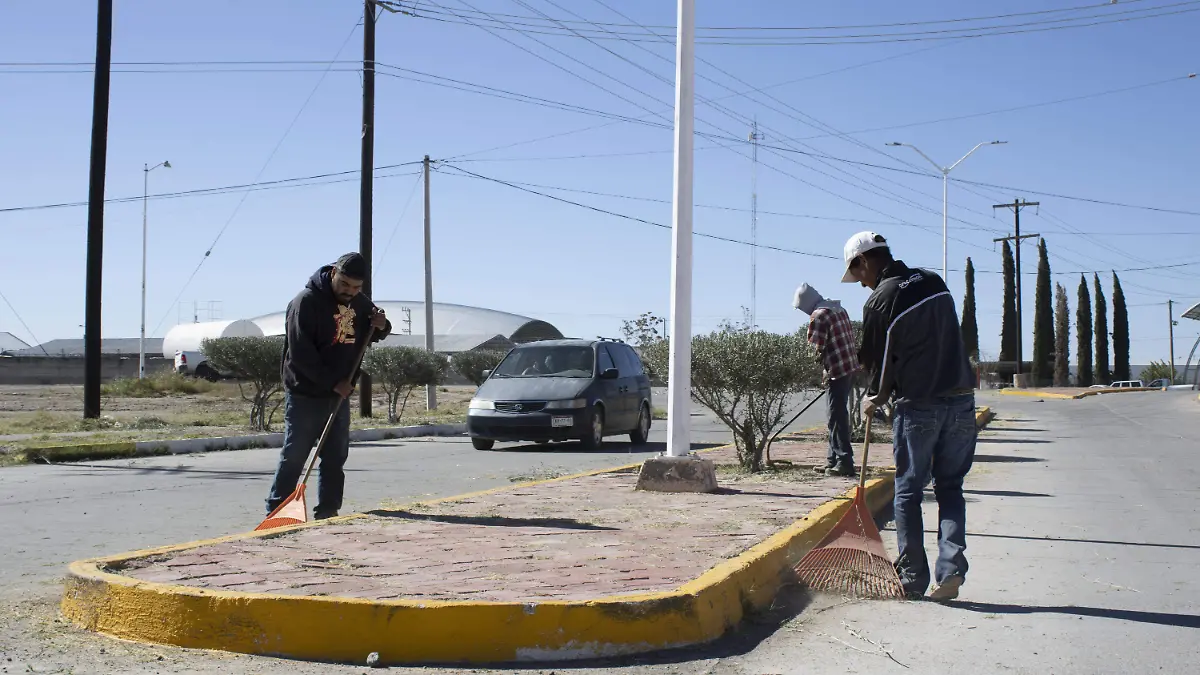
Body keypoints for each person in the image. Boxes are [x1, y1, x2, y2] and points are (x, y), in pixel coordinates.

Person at [841, 231, 977, 601]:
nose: (861, 284)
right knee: (950, 488)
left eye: (858, 275)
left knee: (908, 492)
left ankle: (912, 577)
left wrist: (876, 397)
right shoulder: (935, 281)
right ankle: (950, 571)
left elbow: (877, 360)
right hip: (962, 401)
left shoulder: (880, 301)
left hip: (919, 405)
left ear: (865, 261)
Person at [265, 252, 391, 520]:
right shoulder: (305, 302)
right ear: (333, 273)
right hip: (305, 393)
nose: (350, 292)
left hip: (339, 393)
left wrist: (382, 325)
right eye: (345, 284)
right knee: (295, 455)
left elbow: (375, 328)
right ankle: (277, 511)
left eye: (356, 288)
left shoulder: (359, 301)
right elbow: (301, 356)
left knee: (335, 456)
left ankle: (328, 510)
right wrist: (334, 382)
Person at [793, 283, 859, 477]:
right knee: (835, 415)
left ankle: (845, 461)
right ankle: (832, 461)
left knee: (836, 417)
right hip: (849, 367)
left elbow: (817, 348)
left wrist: (818, 372)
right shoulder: (839, 309)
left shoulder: (819, 315)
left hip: (836, 370)